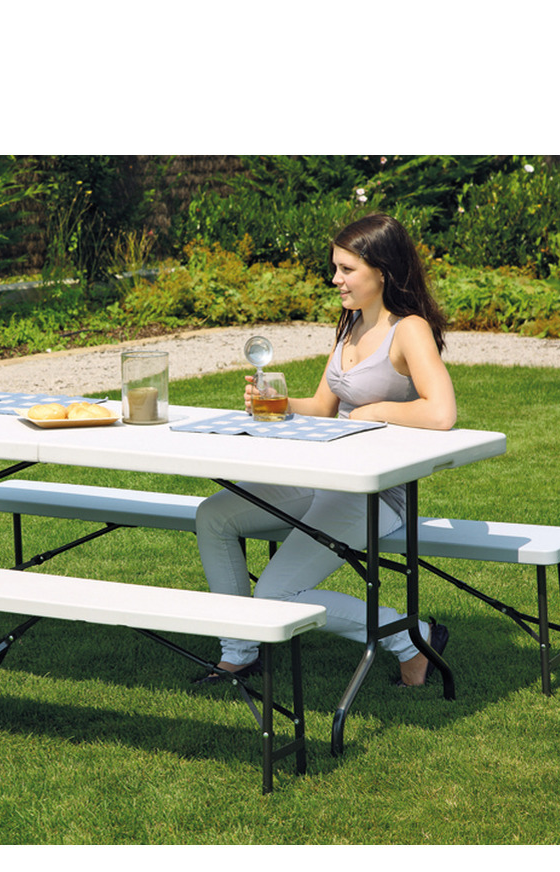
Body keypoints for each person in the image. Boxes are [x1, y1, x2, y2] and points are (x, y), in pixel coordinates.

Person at [194, 213, 456, 687]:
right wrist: (277, 403)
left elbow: (441, 413)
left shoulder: (409, 329)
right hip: (321, 476)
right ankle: (239, 652)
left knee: (276, 594)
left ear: (382, 271)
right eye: (335, 267)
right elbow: (321, 406)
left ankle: (411, 638)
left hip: (374, 493)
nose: (335, 279)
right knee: (214, 516)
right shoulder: (351, 324)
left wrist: (371, 412)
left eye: (347, 269)